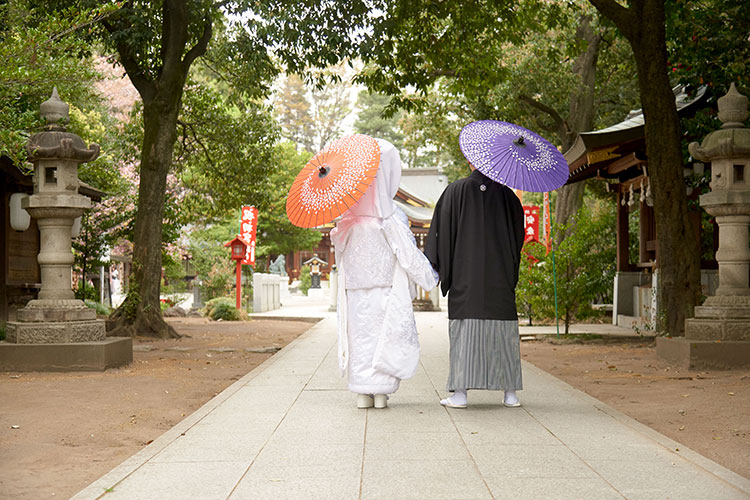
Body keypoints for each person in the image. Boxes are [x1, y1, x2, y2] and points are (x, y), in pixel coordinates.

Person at [331, 139, 439, 409]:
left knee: (360, 337)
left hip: (355, 288)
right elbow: (408, 253)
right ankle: (380, 393)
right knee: (383, 336)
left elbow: (340, 254)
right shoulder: (390, 216)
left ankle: (361, 393)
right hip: (385, 286)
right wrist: (430, 277)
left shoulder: (346, 220)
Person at [424, 162, 525, 408]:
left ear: (470, 161)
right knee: (504, 336)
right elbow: (517, 239)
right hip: (499, 279)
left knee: (464, 337)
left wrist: (441, 269)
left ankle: (460, 394)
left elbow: (441, 234)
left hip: (465, 277)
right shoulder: (508, 196)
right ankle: (510, 393)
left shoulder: (454, 191)